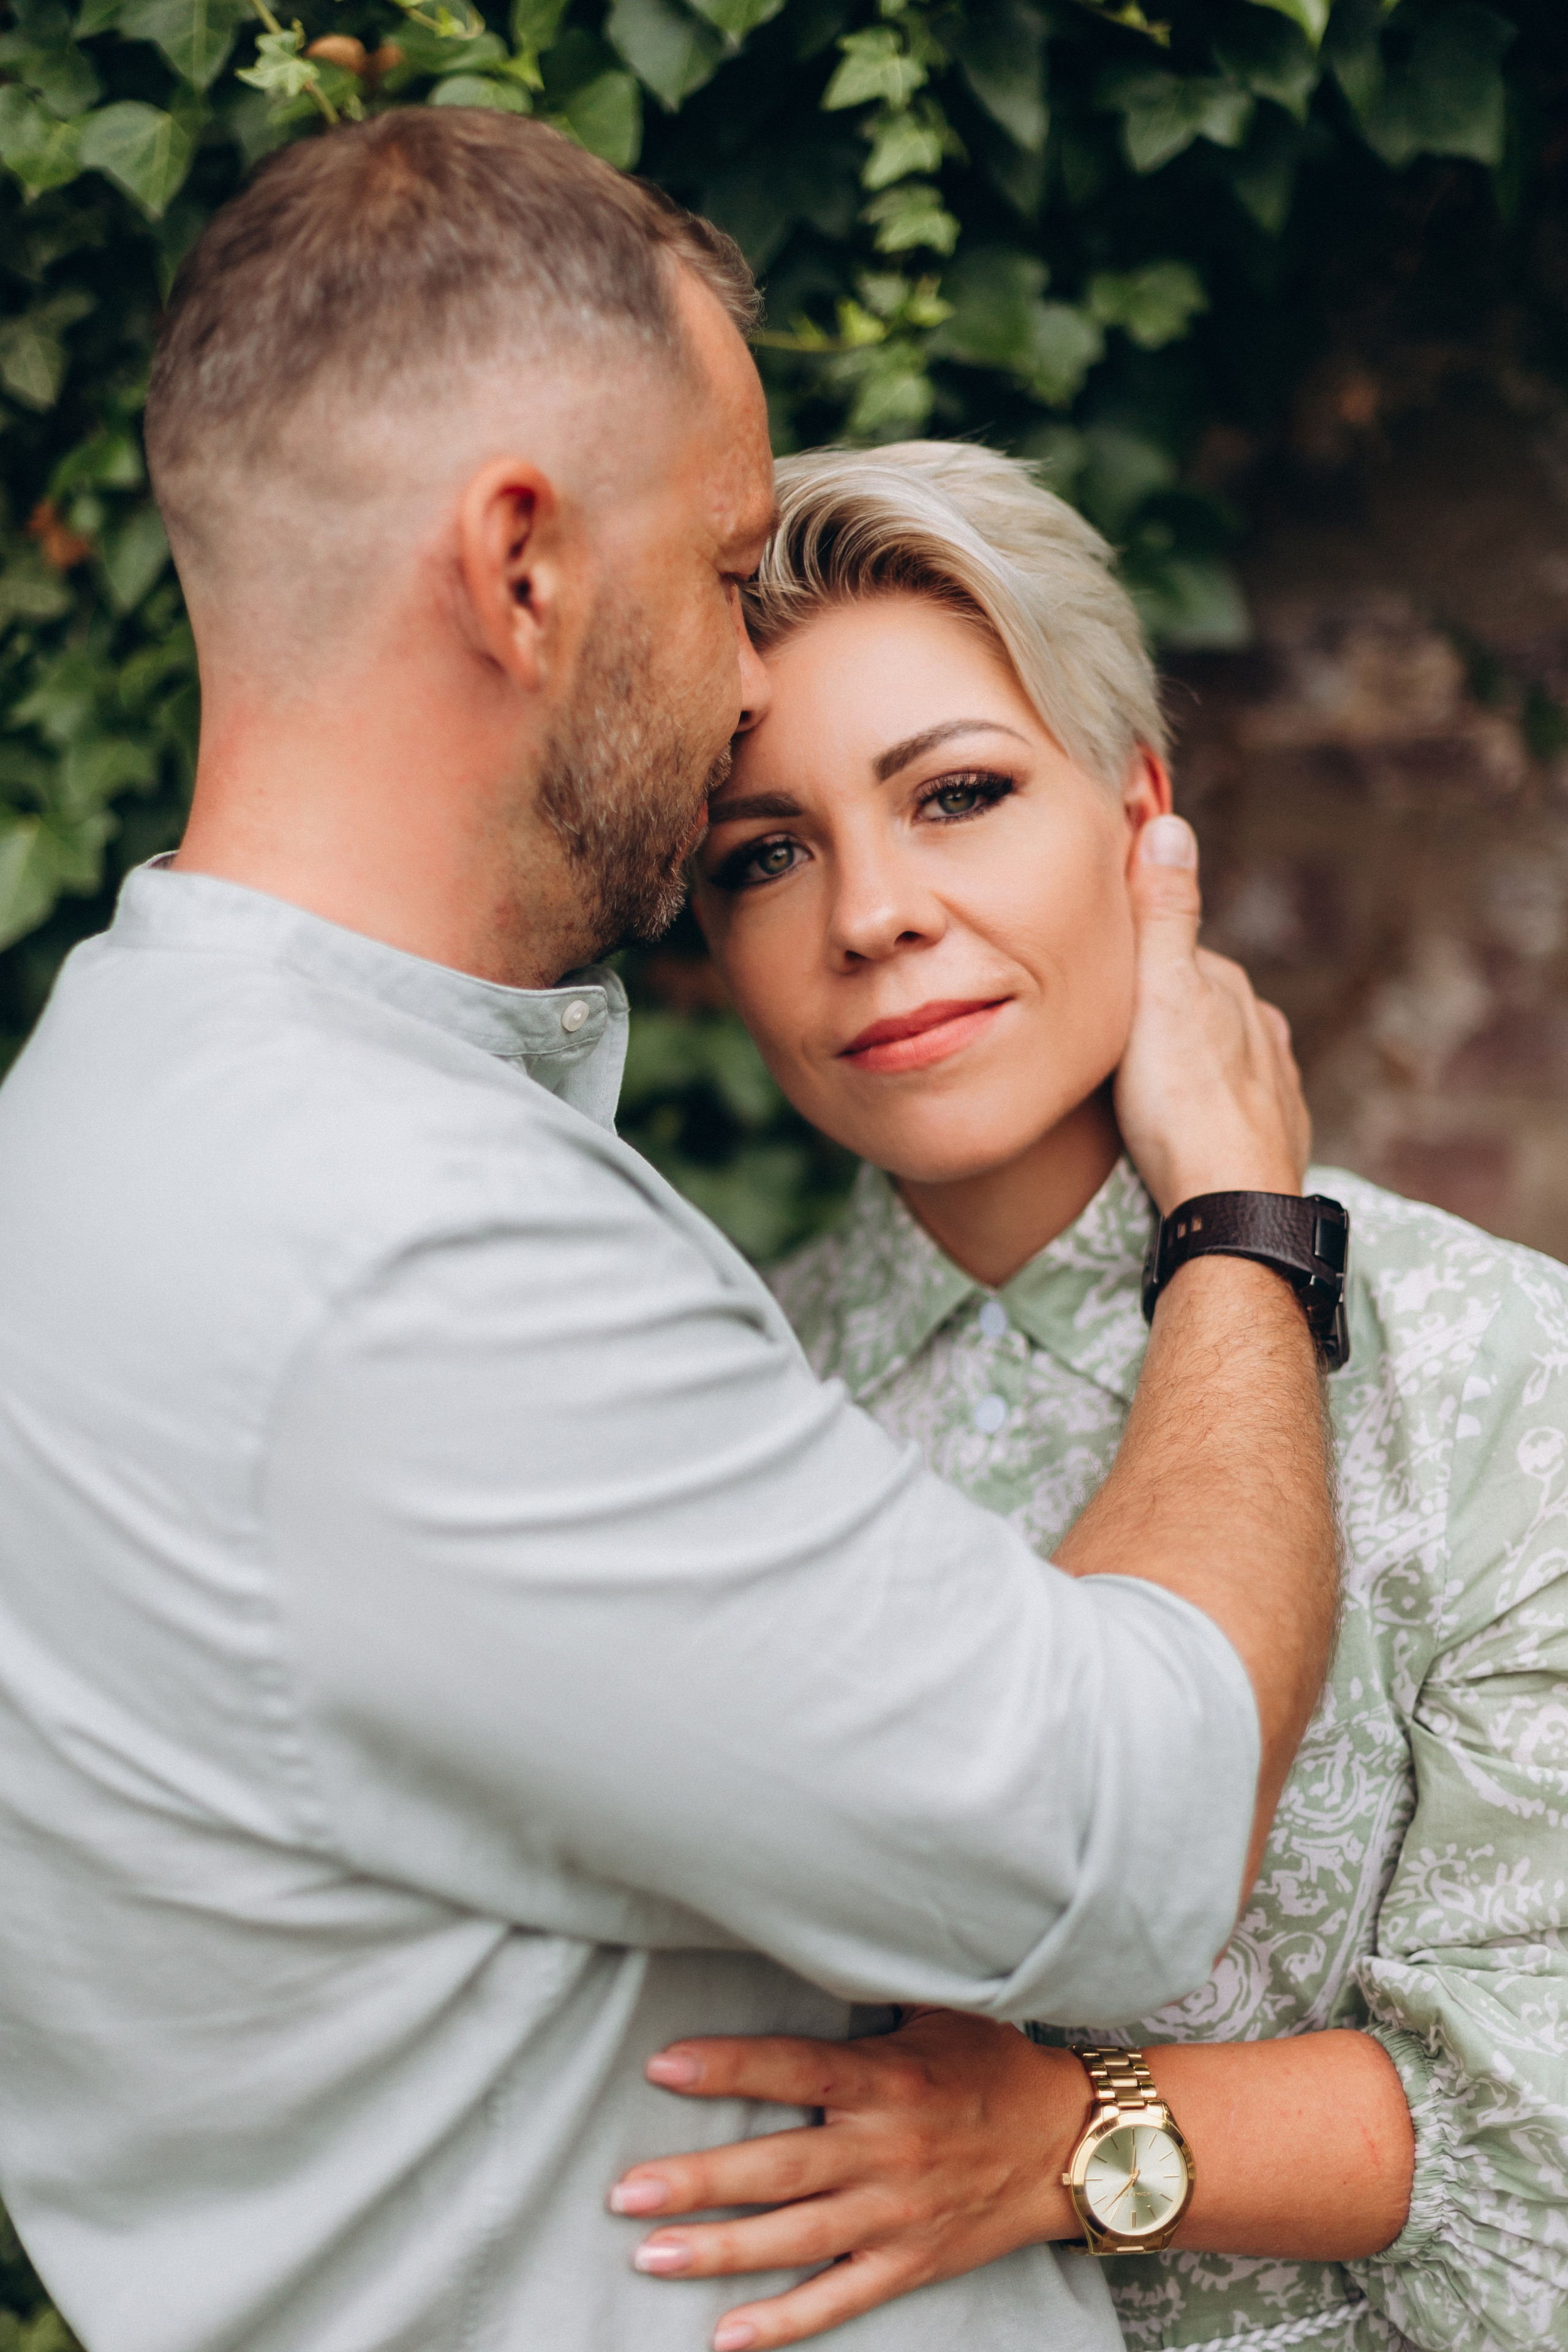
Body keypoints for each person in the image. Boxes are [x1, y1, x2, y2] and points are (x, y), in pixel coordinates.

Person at [0, 118, 1336, 2352]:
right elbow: (1124, 1831)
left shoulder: (107, 1121)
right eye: (728, 569)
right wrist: (1242, 1226)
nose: (747, 680)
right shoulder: (408, 1255)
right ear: (523, 565)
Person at [612, 441, 1568, 2352]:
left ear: (1142, 816)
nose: (873, 911)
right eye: (764, 855)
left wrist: (1066, 2137)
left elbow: (1546, 2156)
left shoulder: (1491, 1368)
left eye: (957, 794)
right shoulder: (717, 1422)